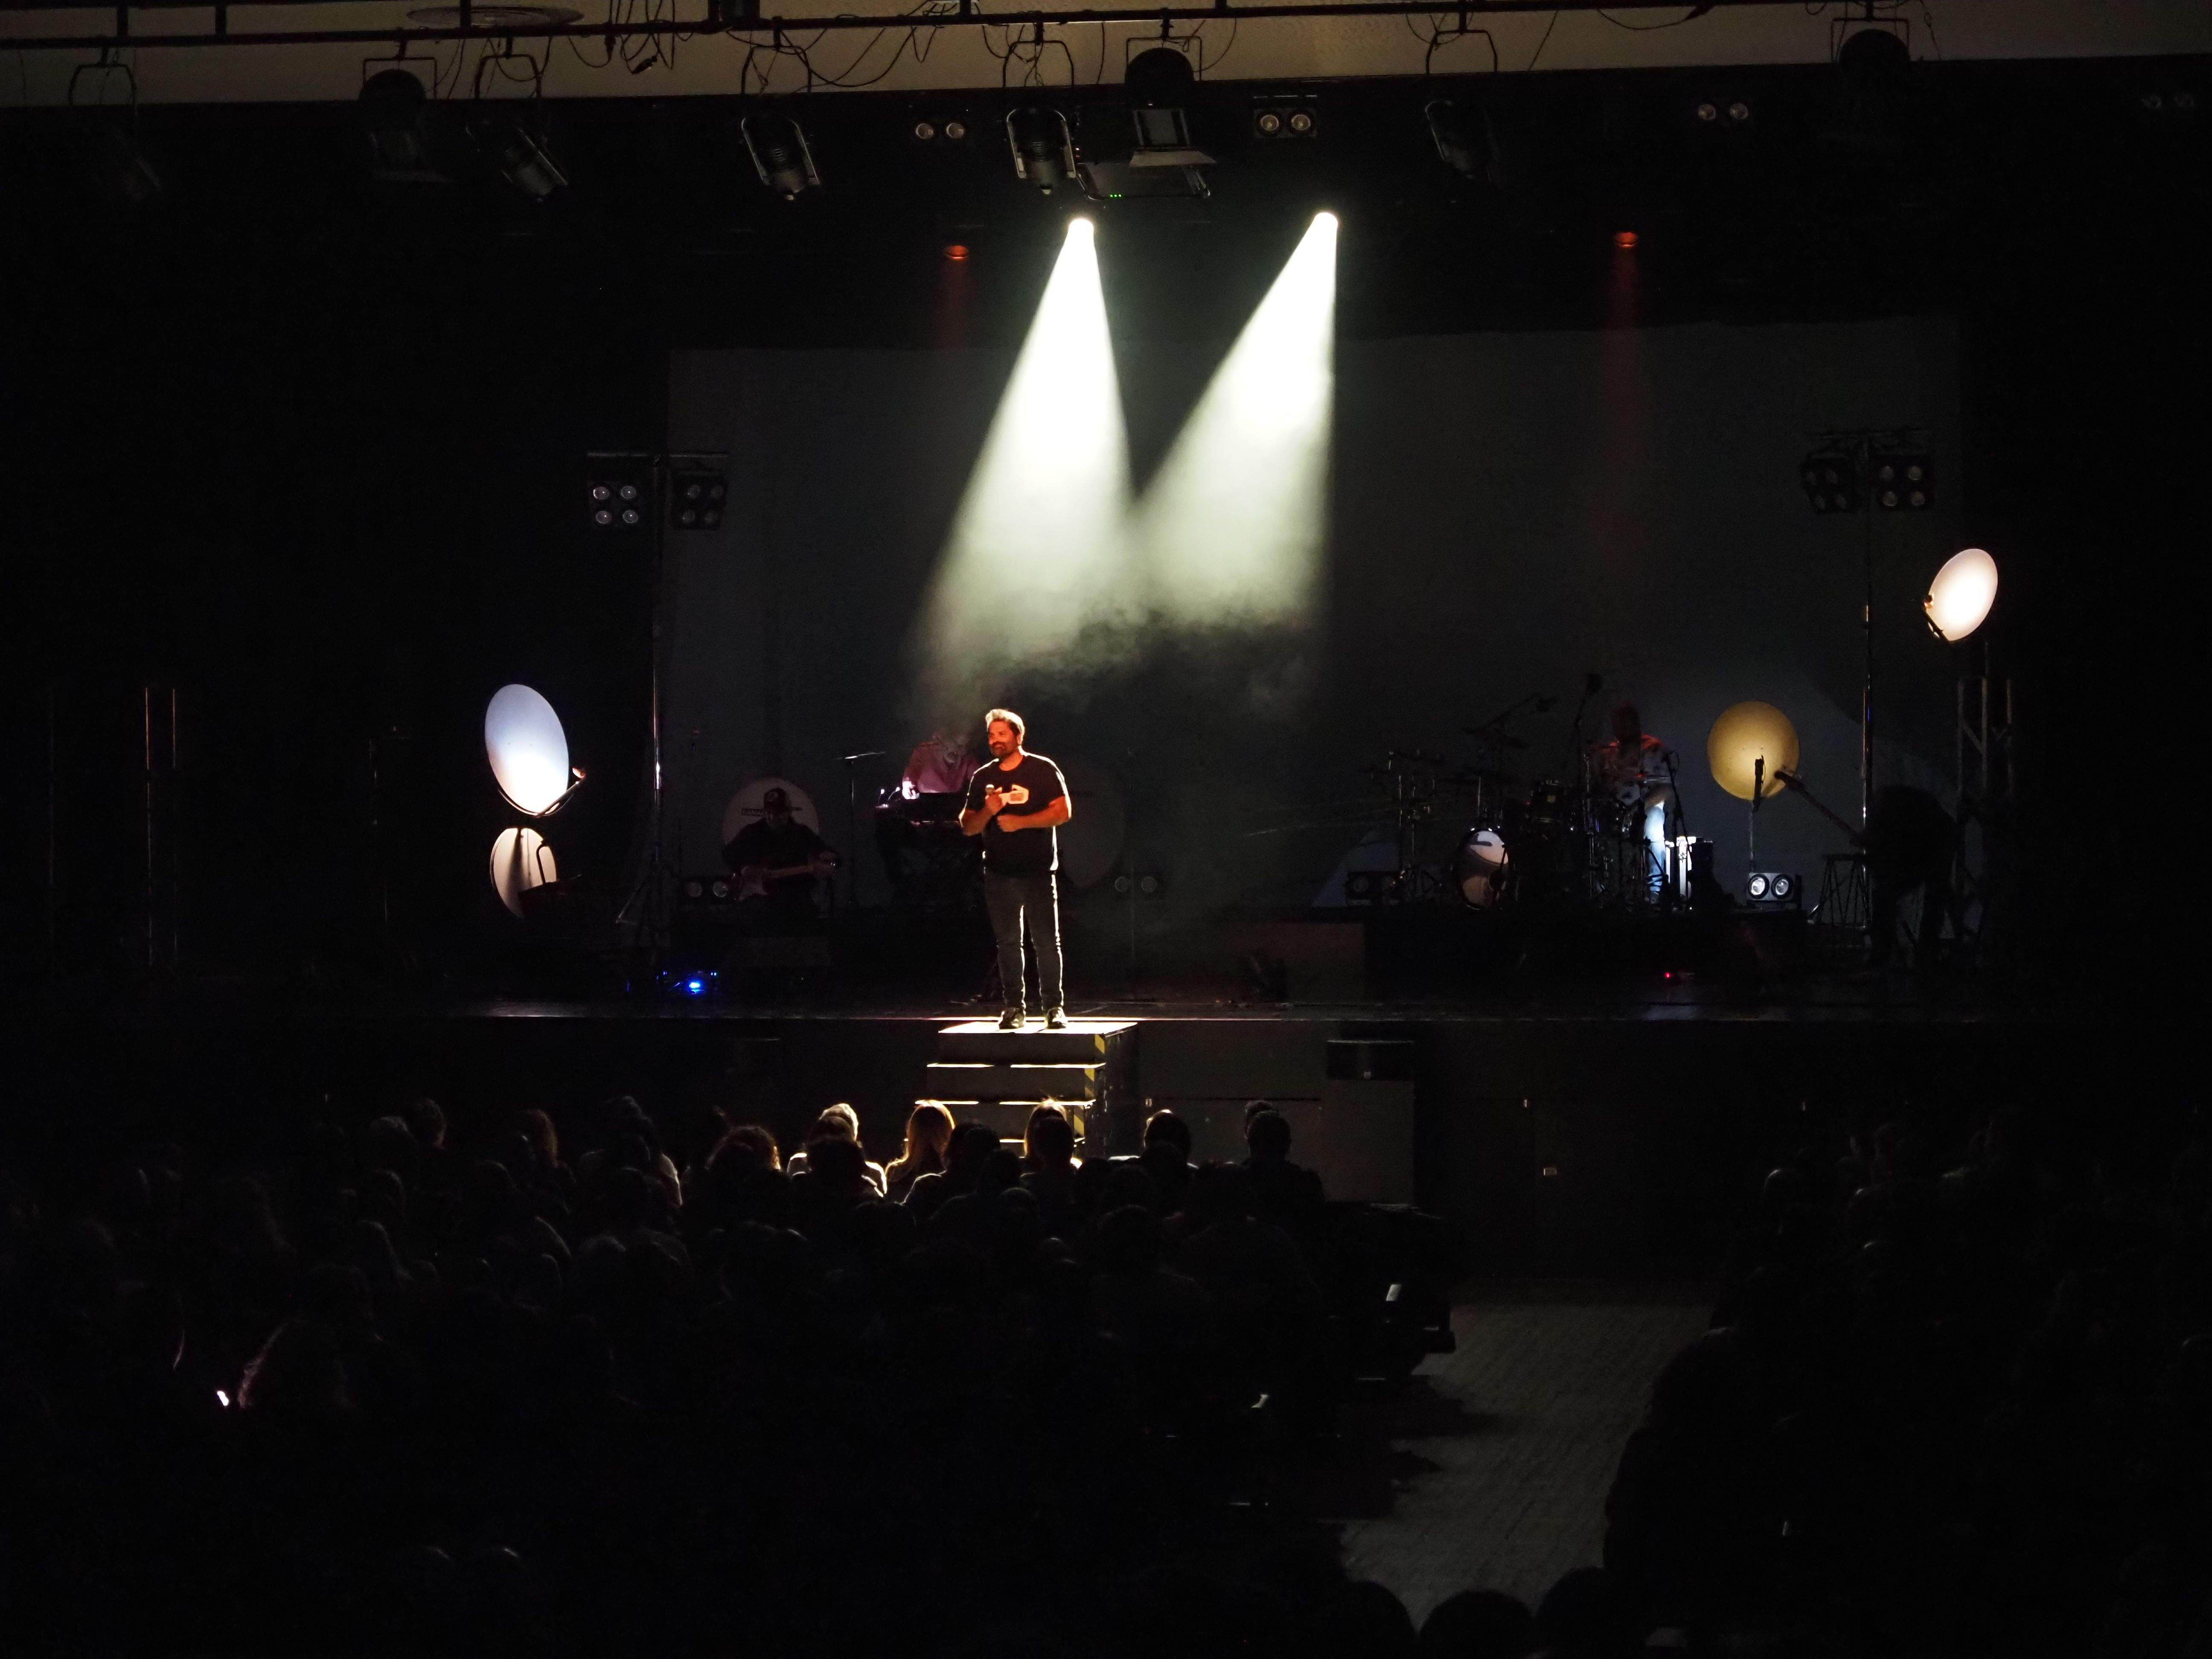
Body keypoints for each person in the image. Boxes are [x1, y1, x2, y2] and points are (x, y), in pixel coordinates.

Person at [958, 708, 1071, 1029]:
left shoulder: (1042, 769)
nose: (995, 741)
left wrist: (1020, 822)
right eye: (992, 735)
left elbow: (1063, 812)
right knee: (1008, 943)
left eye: (1001, 735)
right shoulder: (983, 777)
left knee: (1047, 942)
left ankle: (1053, 1007)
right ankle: (1014, 1008)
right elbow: (967, 826)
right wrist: (988, 812)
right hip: (999, 873)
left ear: (1018, 737)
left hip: (1037, 872)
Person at [1594, 702, 1672, 900]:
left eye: (1624, 724)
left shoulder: (1653, 748)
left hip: (1645, 807)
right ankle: (1610, 888)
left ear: (1635, 724)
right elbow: (1601, 784)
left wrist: (1640, 808)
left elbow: (1666, 787)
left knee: (1655, 823)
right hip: (1614, 808)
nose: (1619, 730)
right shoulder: (1609, 752)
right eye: (1616, 725)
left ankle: (1655, 891)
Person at [723, 786, 835, 920]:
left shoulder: (802, 833)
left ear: (788, 813)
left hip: (795, 896)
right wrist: (746, 869)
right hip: (762, 901)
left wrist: (829, 859)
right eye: (769, 812)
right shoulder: (752, 832)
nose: (772, 817)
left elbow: (824, 852)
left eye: (778, 812)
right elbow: (729, 854)